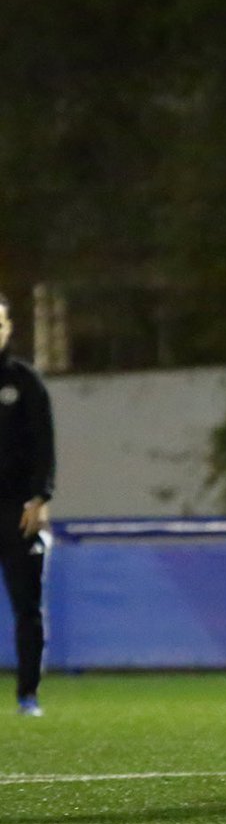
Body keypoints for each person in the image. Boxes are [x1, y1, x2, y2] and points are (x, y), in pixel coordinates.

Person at [0, 293, 55, 717]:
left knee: (26, 606)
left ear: (9, 327)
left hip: (18, 510)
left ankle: (28, 695)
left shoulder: (25, 381)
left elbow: (44, 444)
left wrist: (40, 497)